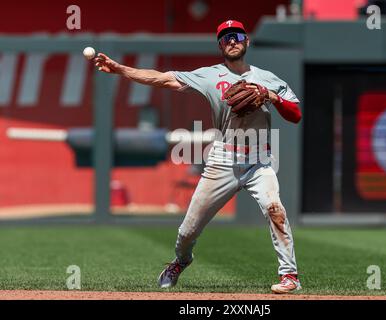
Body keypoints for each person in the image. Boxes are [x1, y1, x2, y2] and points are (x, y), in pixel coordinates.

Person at [94, 19, 303, 294]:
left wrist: (272, 97)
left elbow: (296, 115)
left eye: (237, 36)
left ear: (247, 41)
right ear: (220, 45)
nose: (231, 41)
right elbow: (163, 78)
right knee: (188, 231)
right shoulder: (209, 75)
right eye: (225, 37)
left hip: (259, 161)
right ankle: (181, 261)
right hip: (223, 159)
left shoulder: (268, 79)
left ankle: (290, 276)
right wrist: (121, 70)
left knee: (275, 210)